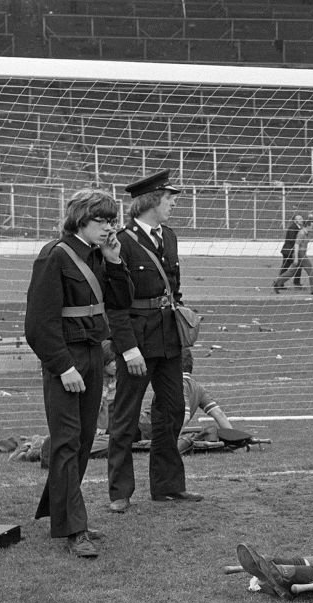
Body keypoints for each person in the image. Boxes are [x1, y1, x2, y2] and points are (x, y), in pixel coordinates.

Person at [25, 188, 133, 558]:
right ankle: (74, 527)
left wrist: (115, 262)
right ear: (80, 220)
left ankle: (64, 512)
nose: (108, 228)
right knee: (68, 440)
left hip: (91, 354)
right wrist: (63, 367)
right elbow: (39, 324)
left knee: (85, 439)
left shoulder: (100, 255)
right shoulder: (54, 256)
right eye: (101, 220)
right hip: (66, 359)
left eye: (111, 220)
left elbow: (119, 303)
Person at [106, 169, 202, 513]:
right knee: (126, 416)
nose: (173, 204)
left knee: (173, 409)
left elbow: (173, 288)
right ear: (150, 202)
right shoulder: (121, 241)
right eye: (169, 199)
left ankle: (168, 486)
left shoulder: (170, 236)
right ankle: (120, 492)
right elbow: (115, 303)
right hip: (137, 340)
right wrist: (128, 348)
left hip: (167, 338)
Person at [136, 347, 233, 454]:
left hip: (147, 426)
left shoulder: (177, 384)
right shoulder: (198, 388)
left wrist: (173, 440)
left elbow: (184, 417)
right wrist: (234, 438)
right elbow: (219, 414)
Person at [274, 216, 313, 295]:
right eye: (312, 226)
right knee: (311, 270)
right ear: (308, 225)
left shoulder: (305, 233)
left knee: (291, 272)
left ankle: (277, 283)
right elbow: (296, 245)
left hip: (301, 254)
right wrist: (296, 258)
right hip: (300, 254)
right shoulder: (301, 233)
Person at [274, 214, 304, 291]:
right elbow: (291, 240)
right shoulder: (293, 228)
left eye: (301, 218)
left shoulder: (298, 227)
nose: (302, 220)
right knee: (293, 266)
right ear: (295, 221)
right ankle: (281, 283)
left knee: (289, 267)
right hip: (289, 251)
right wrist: (295, 250)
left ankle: (280, 283)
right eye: (299, 219)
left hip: (289, 251)